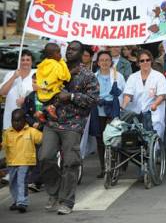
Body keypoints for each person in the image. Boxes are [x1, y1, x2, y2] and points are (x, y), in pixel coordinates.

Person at [39, 40, 99, 215]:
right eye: (68, 49)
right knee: (45, 157)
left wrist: (71, 96)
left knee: (70, 163)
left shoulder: (88, 75)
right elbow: (44, 90)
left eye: (74, 50)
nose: (69, 52)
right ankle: (54, 192)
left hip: (73, 124)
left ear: (82, 54)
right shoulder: (55, 67)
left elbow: (94, 100)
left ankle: (67, 201)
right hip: (52, 122)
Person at [1, 109, 43, 213]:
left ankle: (22, 203)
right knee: (12, 183)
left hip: (25, 162)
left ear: (24, 120)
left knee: (21, 182)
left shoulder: (31, 131)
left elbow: (42, 139)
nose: (16, 123)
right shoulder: (7, 132)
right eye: (13, 121)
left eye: (18, 120)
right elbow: (4, 146)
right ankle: (17, 201)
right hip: (12, 162)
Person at [93, 51, 126, 178]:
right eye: (102, 60)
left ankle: (116, 166)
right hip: (99, 110)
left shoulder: (118, 76)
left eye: (107, 60)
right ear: (98, 62)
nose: (105, 62)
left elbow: (123, 93)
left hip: (113, 110)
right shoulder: (94, 77)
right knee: (100, 139)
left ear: (111, 62)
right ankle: (104, 168)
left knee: (115, 137)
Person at [122, 49, 166, 139]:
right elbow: (128, 94)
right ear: (138, 63)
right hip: (136, 114)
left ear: (151, 61)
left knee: (154, 140)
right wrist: (123, 106)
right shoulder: (133, 77)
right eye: (142, 61)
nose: (145, 62)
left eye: (147, 60)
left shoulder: (159, 76)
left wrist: (155, 104)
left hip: (154, 114)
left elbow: (162, 95)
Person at [0, 50, 35, 133]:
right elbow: (2, 92)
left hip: (28, 120)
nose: (25, 62)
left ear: (31, 61)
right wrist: (13, 77)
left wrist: (26, 100)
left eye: (27, 60)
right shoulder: (11, 74)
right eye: (22, 60)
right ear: (19, 61)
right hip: (10, 119)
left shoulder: (36, 74)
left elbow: (40, 93)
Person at [35, 43, 71, 121]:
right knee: (64, 94)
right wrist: (71, 71)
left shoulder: (44, 63)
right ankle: (52, 108)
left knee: (46, 103)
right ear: (51, 55)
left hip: (43, 89)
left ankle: (41, 113)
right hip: (53, 89)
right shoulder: (56, 65)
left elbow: (40, 76)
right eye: (58, 52)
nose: (60, 54)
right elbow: (63, 76)